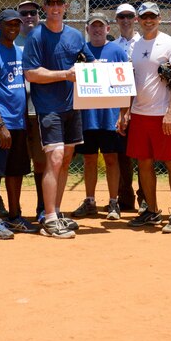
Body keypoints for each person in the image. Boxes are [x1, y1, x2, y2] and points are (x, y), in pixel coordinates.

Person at [23, 0, 94, 239]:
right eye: (50, 3)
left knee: (65, 160)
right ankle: (49, 218)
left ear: (65, 7)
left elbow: (90, 63)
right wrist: (64, 74)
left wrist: (108, 72)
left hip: (71, 107)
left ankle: (57, 212)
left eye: (59, 3)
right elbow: (31, 74)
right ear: (45, 7)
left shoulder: (75, 36)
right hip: (48, 108)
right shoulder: (36, 36)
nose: (55, 7)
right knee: (55, 158)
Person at [119, 1, 171, 230]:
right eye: (144, 16)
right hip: (139, 113)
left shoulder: (170, 44)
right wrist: (126, 111)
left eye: (153, 16)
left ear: (160, 19)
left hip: (162, 114)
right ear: (139, 19)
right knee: (144, 163)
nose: (148, 20)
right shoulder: (135, 47)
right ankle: (152, 210)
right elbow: (130, 80)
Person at [0, 9, 37, 238]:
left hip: (17, 123)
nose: (13, 28)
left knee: (15, 171)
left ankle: (14, 216)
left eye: (16, 24)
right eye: (9, 24)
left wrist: (22, 121)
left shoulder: (18, 52)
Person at [71, 13, 128, 220]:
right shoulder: (81, 51)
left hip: (109, 116)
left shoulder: (117, 51)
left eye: (100, 26)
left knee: (112, 159)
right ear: (87, 30)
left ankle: (114, 202)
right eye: (93, 26)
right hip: (88, 116)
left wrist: (124, 113)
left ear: (108, 29)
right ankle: (90, 201)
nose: (97, 30)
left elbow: (125, 85)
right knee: (89, 159)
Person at [16, 0, 47, 219]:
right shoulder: (11, 41)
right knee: (16, 161)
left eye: (33, 12)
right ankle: (14, 211)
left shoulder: (45, 39)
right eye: (24, 13)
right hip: (16, 110)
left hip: (39, 107)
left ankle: (43, 207)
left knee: (40, 159)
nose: (29, 17)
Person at [113, 2, 142, 214]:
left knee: (141, 154)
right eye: (121, 17)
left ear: (136, 19)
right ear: (116, 21)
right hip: (120, 106)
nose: (125, 20)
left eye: (129, 16)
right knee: (122, 155)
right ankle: (125, 198)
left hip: (141, 105)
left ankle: (146, 198)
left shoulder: (143, 43)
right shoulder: (113, 46)